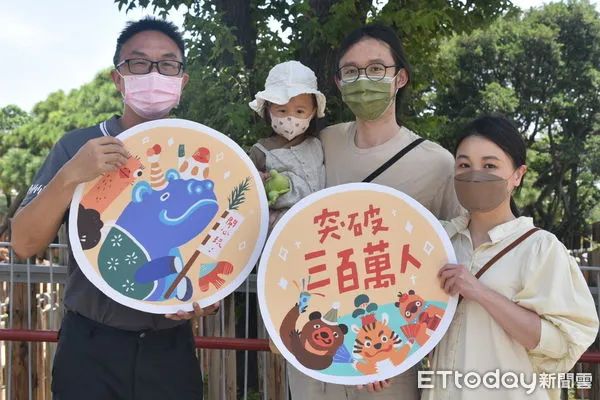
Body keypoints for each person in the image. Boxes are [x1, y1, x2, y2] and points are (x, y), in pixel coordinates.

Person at [11, 17, 217, 400]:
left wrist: (206, 296)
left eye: (168, 64)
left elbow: (217, 246)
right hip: (90, 347)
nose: (153, 73)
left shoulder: (205, 154)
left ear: (182, 80)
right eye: (138, 63)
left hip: (170, 350)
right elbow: (23, 243)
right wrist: (71, 175)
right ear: (118, 78)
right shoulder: (78, 146)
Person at [286, 23, 464, 400]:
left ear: (400, 77)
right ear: (337, 82)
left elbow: (460, 255)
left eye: (376, 68)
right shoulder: (322, 142)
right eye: (350, 70)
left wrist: (403, 345)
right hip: (313, 351)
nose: (362, 79)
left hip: (388, 357)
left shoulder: (437, 164)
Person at [422, 114, 598, 400]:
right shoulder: (439, 242)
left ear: (518, 175)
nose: (474, 174)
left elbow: (562, 343)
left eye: (490, 165)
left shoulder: (540, 248)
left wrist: (479, 292)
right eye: (464, 165)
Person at [248, 60, 326, 232]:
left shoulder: (318, 144)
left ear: (312, 112)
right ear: (268, 110)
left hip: (321, 225)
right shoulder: (260, 150)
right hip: (279, 231)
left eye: (299, 111)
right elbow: (247, 190)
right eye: (282, 111)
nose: (290, 118)